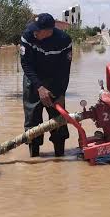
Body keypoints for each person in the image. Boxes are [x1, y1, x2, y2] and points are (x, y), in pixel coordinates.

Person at [20, 13, 72, 157]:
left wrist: (60, 93)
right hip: (33, 79)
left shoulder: (64, 40)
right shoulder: (28, 35)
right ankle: (34, 159)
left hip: (55, 80)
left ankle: (60, 158)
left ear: (49, 31)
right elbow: (26, 64)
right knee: (32, 120)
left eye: (38, 30)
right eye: (34, 29)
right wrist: (39, 87)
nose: (34, 32)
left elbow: (64, 70)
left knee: (58, 120)